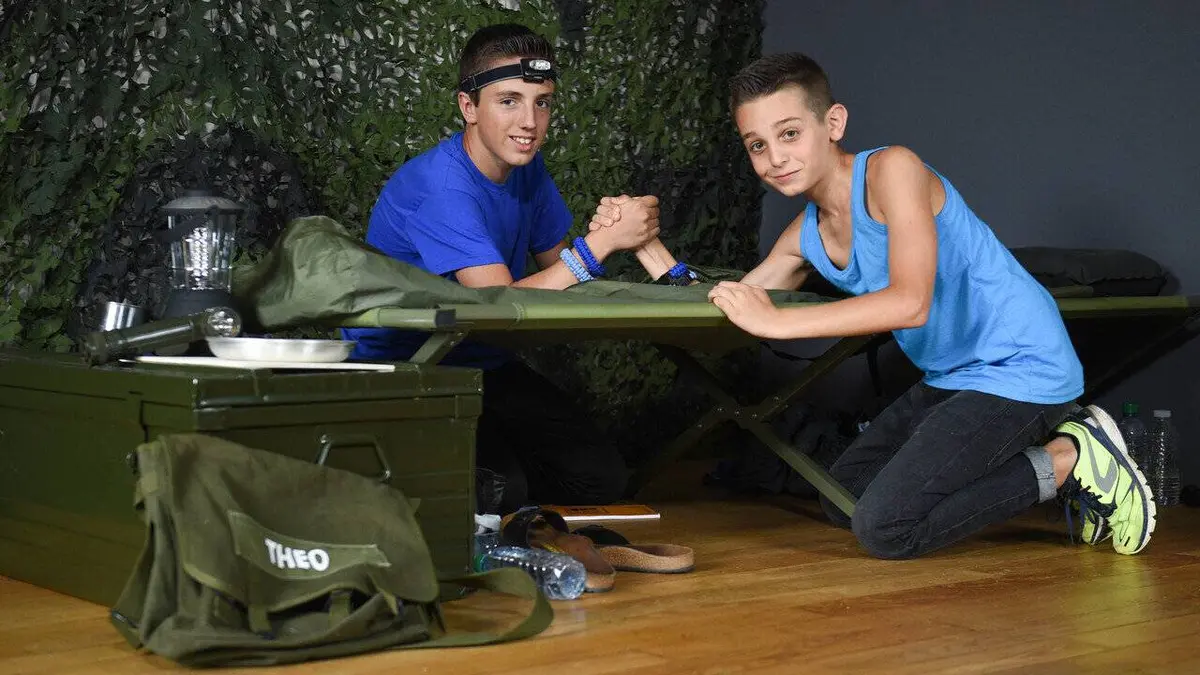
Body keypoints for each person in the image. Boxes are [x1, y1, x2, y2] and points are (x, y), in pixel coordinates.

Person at [650, 52, 1155, 558]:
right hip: (950, 378)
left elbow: (911, 303)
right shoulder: (804, 236)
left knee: (885, 529)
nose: (775, 158)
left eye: (789, 133)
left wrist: (780, 321)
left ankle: (1070, 457)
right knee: (840, 497)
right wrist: (650, 249)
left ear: (833, 123)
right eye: (757, 145)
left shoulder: (893, 170)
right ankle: (1047, 457)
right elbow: (729, 311)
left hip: (1021, 367)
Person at [343, 23, 663, 514]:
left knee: (600, 479)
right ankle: (398, 460)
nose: (529, 122)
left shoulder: (528, 170)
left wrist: (620, 233)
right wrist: (600, 244)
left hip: (483, 360)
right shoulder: (440, 187)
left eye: (542, 102)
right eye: (509, 101)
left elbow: (562, 273)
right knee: (500, 491)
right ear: (468, 107)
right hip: (411, 370)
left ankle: (479, 461)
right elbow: (498, 304)